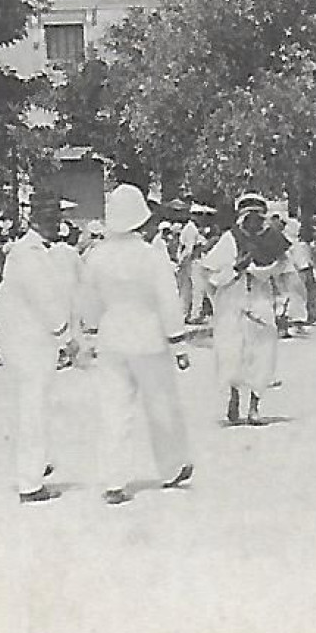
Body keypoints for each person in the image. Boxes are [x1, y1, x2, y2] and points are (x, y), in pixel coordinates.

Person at [78, 185, 194, 505]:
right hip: (148, 337)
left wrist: (92, 331)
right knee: (160, 405)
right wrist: (179, 343)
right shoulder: (150, 255)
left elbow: (88, 302)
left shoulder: (96, 257)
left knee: (114, 409)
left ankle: (113, 480)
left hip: (112, 337)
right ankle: (170, 467)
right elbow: (168, 301)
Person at [0, 207, 76, 503]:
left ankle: (34, 465)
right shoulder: (27, 254)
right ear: (36, 221)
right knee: (33, 410)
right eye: (52, 220)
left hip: (28, 342)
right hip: (27, 343)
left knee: (31, 407)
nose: (58, 225)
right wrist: (65, 336)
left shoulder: (37, 251)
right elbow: (45, 300)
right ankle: (30, 483)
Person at [204, 195, 288, 425]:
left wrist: (263, 271)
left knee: (261, 354)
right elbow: (211, 277)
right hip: (232, 303)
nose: (253, 223)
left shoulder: (272, 240)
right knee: (232, 353)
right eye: (248, 218)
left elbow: (282, 269)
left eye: (257, 218)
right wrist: (236, 268)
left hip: (260, 302)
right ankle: (233, 397)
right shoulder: (228, 241)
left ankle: (254, 406)